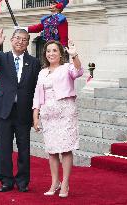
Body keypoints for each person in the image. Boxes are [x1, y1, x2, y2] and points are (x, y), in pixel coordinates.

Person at [0, 28, 41, 192]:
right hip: (4, 109)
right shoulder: (2, 57)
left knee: (24, 147)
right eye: (18, 38)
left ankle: (23, 181)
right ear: (11, 40)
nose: (20, 42)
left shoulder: (34, 62)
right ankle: (6, 180)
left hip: (24, 110)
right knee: (4, 147)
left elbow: (37, 87)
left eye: (24, 39)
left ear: (28, 42)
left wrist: (36, 112)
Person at [32, 40, 83, 198]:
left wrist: (74, 54)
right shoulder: (42, 72)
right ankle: (55, 182)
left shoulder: (67, 67)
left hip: (65, 111)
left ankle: (65, 183)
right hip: (48, 113)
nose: (51, 54)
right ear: (45, 54)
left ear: (61, 53)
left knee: (65, 149)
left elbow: (79, 71)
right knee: (52, 150)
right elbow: (37, 96)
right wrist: (35, 115)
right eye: (48, 51)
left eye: (54, 50)